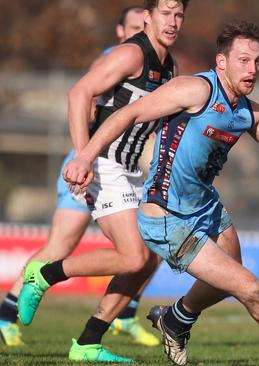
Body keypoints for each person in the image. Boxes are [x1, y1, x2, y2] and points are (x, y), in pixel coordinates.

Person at [63, 19, 259, 366]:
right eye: (243, 60)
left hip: (206, 206)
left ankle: (175, 319)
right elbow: (129, 113)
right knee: (251, 288)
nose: (252, 69)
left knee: (226, 281)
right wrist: (84, 155)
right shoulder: (196, 90)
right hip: (167, 217)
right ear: (221, 62)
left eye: (257, 61)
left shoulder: (249, 113)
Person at [17, 0, 188, 362]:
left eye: (179, 15)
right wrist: (83, 156)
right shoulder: (131, 54)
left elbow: (152, 125)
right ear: (148, 17)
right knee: (132, 256)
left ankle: (88, 342)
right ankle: (43, 275)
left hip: (130, 171)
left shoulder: (170, 67)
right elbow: (79, 93)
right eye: (166, 13)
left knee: (147, 256)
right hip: (105, 164)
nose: (172, 21)